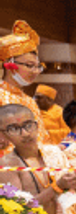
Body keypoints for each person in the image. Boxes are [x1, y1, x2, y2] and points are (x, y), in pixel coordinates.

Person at [1, 20, 52, 152]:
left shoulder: (30, 101)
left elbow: (43, 138)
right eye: (29, 65)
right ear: (9, 63)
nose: (35, 71)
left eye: (38, 67)